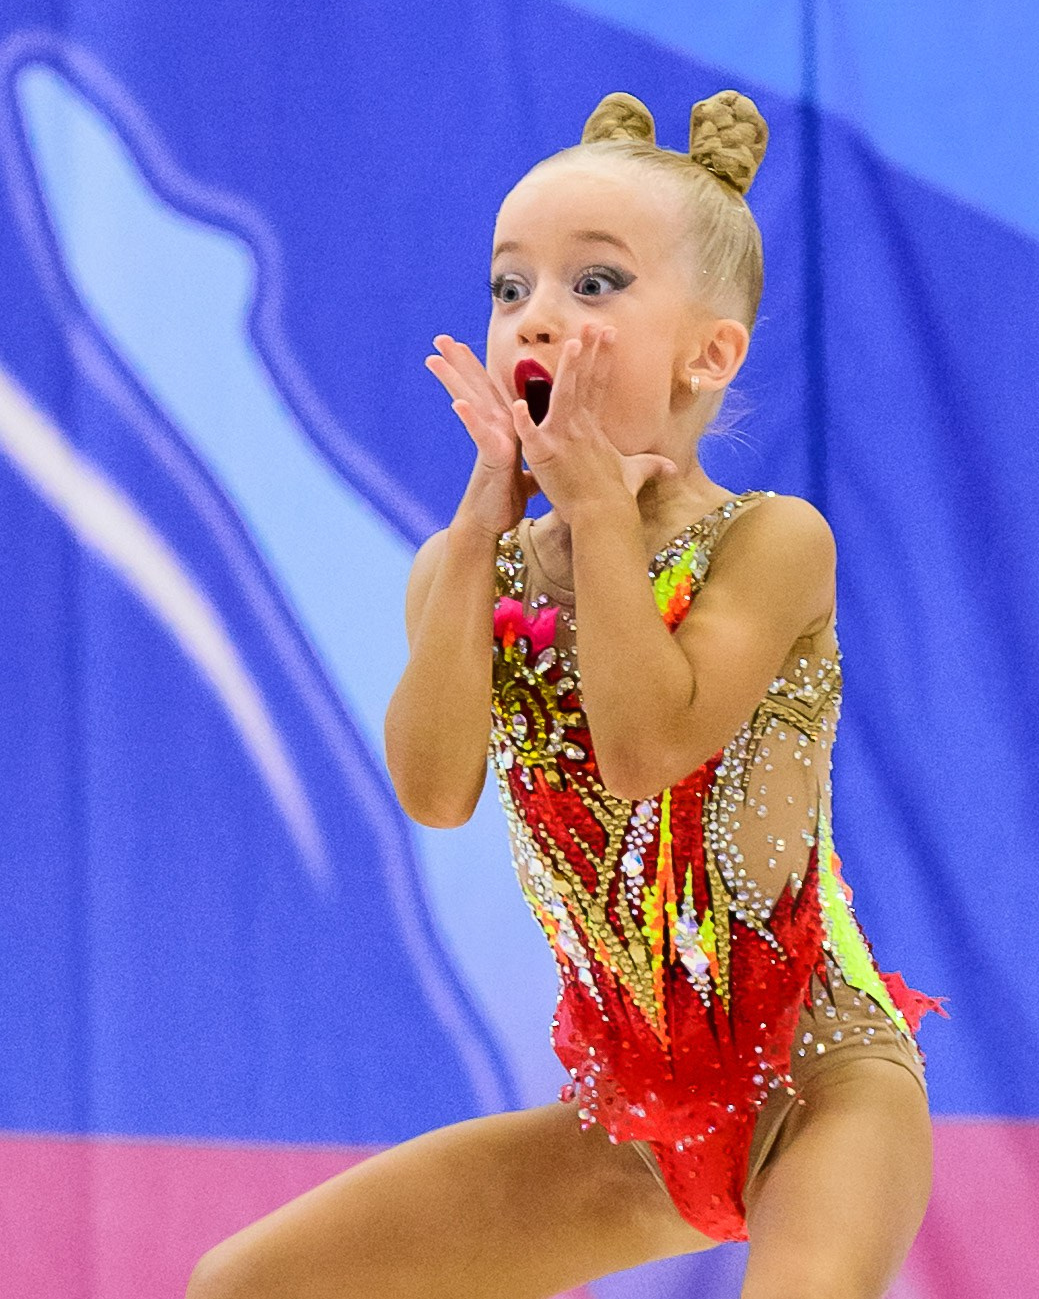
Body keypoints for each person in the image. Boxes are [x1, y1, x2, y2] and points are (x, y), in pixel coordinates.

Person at [187, 90, 949, 1299]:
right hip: (635, 1134)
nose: (537, 314)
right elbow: (435, 791)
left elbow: (648, 746)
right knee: (247, 1285)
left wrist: (595, 510)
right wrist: (484, 520)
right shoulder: (465, 572)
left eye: (593, 285)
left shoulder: (773, 543)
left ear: (709, 353)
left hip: (821, 1086)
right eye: (508, 287)